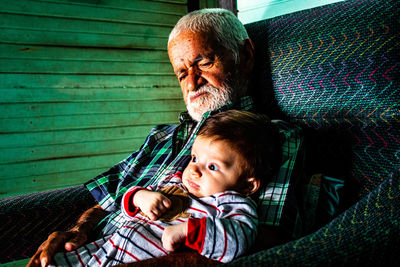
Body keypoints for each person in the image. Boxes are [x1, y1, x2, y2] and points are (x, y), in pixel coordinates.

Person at [28, 8, 301, 267]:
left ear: (246, 54)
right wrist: (78, 230)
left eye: (203, 63)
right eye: (182, 73)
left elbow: (262, 241)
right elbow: (109, 199)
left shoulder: (270, 137)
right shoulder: (160, 137)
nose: (193, 83)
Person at [47, 110, 282, 265]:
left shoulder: (233, 204)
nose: (195, 170)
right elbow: (125, 203)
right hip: (104, 248)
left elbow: (238, 239)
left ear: (248, 184)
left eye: (212, 166)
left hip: (139, 259)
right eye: (194, 159)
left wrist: (188, 231)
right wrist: (140, 196)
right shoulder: (174, 181)